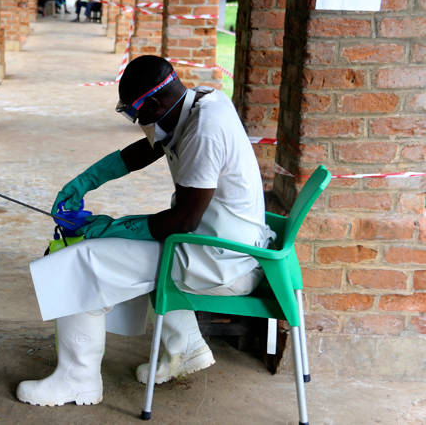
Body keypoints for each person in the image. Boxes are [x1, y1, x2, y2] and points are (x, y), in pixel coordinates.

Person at [16, 55, 275, 407]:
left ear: (154, 103)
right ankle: (184, 349)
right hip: (226, 246)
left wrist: (111, 228)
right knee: (120, 244)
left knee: (81, 260)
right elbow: (148, 149)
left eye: (135, 114)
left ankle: (77, 380)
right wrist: (87, 180)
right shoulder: (198, 102)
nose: (136, 122)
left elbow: (183, 221)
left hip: (220, 263)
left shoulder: (204, 131)